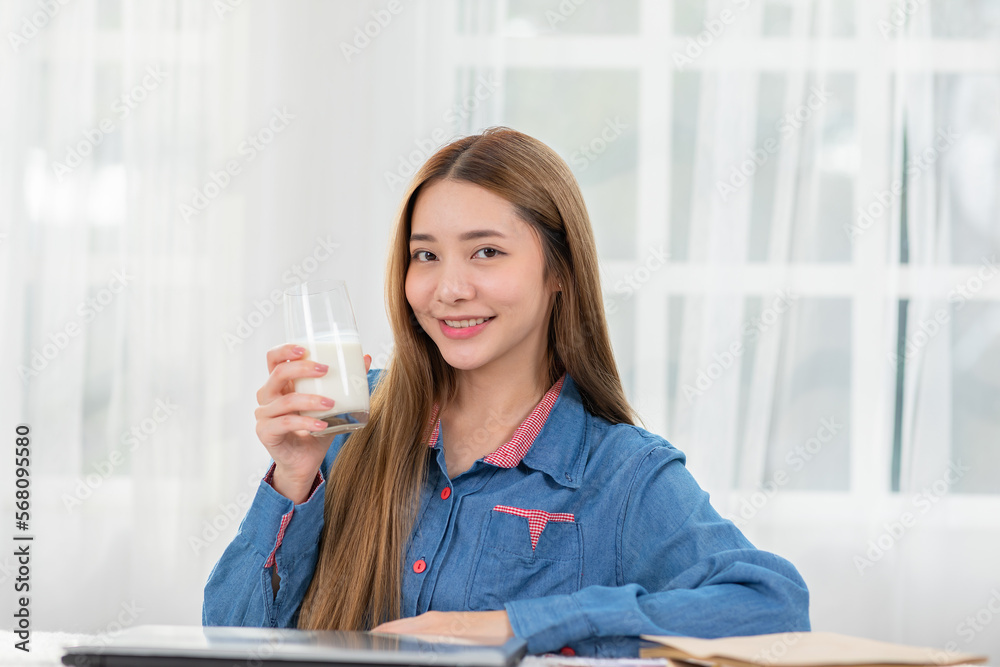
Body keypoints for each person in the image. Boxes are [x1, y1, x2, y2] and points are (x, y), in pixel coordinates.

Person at [202, 127, 810, 657]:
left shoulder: (620, 474)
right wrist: (294, 476)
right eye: (426, 255)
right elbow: (233, 644)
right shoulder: (350, 424)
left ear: (560, 271)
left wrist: (514, 627)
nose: (449, 288)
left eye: (486, 252)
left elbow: (773, 608)